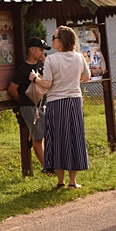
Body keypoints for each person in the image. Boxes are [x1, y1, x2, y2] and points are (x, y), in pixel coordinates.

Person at [29, 26, 90, 189]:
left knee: (56, 139)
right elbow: (87, 76)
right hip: (75, 101)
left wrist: (35, 79)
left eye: (54, 37)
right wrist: (71, 81)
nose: (51, 40)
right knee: (74, 138)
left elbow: (47, 84)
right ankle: (73, 181)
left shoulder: (51, 60)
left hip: (56, 103)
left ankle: (60, 181)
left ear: (61, 42)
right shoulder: (78, 57)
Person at [8, 37, 51, 171]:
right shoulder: (23, 69)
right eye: (40, 49)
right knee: (38, 138)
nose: (42, 52)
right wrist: (24, 103)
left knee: (45, 135)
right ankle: (47, 168)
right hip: (30, 106)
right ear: (31, 50)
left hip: (44, 103)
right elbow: (12, 89)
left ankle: (50, 164)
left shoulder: (42, 65)